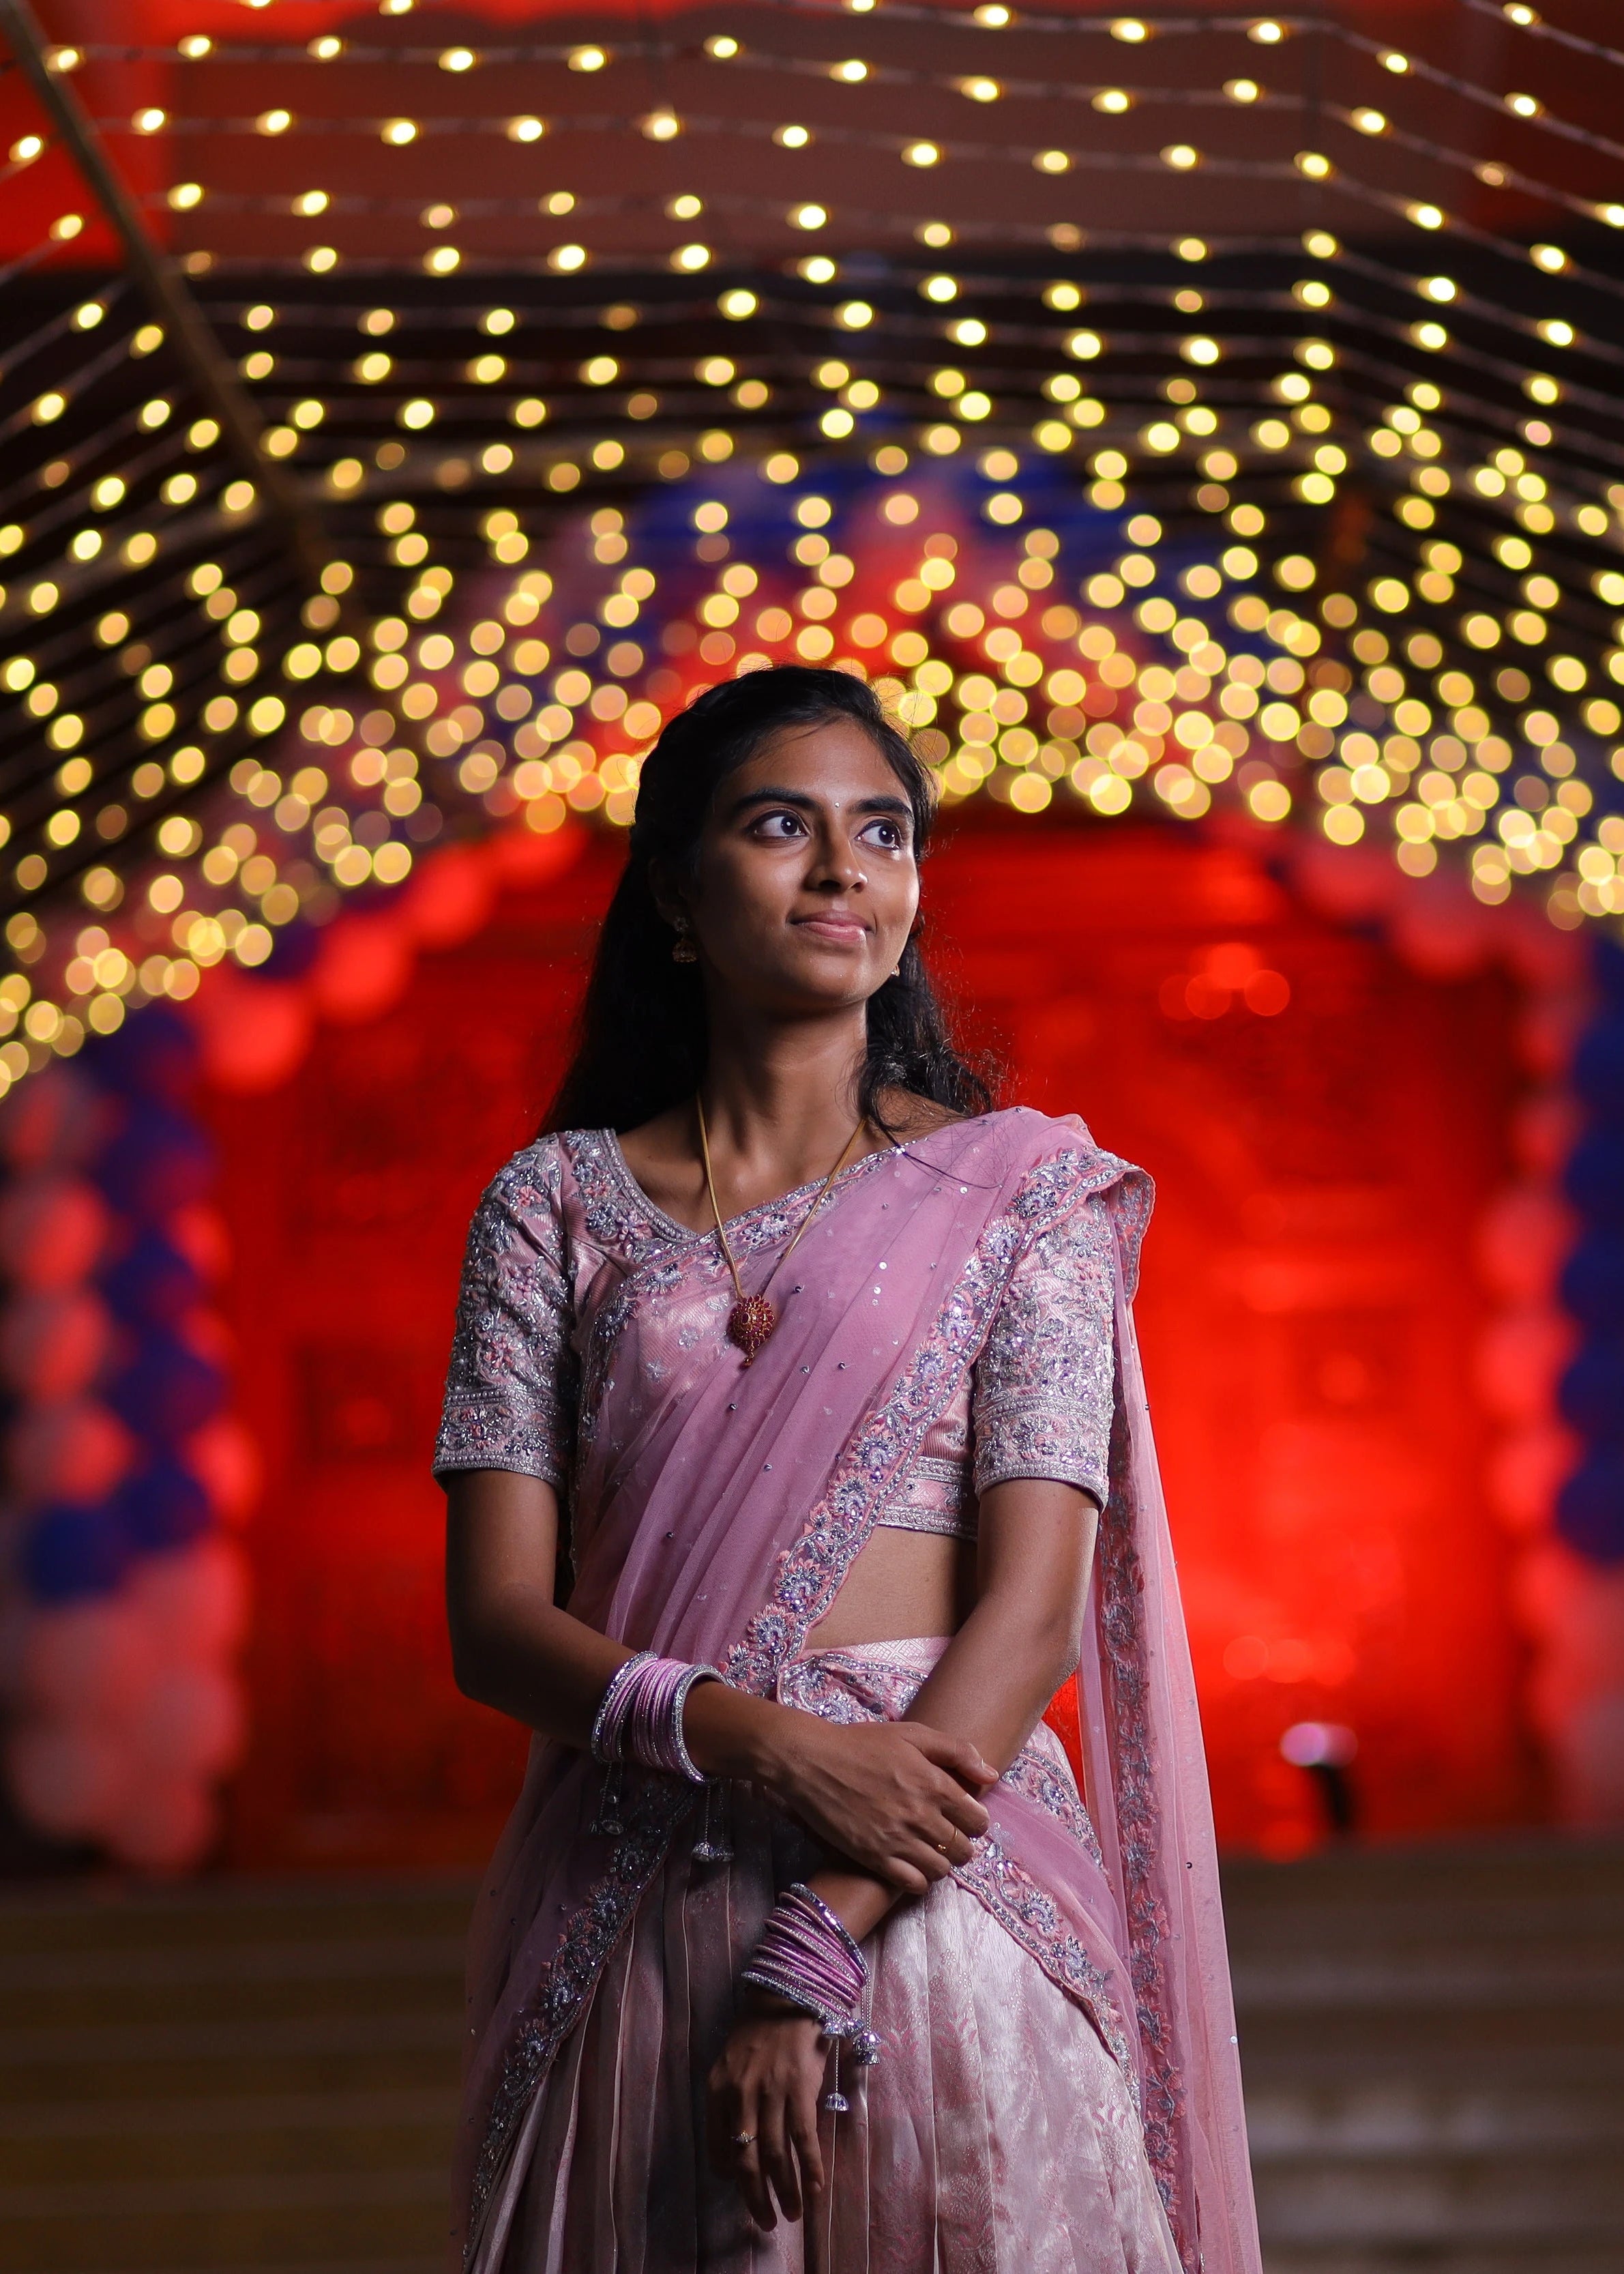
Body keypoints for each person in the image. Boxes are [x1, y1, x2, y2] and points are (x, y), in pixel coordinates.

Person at [437, 665, 1260, 2274]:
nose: (843, 870)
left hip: (935, 1882)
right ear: (675, 894)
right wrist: (772, 1745)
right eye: (780, 826)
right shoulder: (550, 1208)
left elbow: (1030, 1612)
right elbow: (495, 1623)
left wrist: (818, 1941)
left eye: (883, 832)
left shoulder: (1025, 1199)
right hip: (643, 1882)